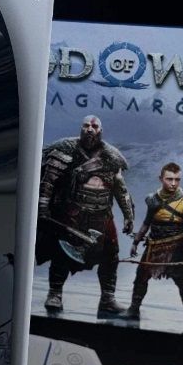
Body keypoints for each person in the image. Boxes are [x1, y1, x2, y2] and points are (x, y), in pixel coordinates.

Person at [36, 115, 134, 317]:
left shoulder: (111, 156)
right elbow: (48, 182)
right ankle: (55, 294)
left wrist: (128, 215)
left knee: (110, 255)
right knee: (62, 252)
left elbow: (120, 189)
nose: (90, 129)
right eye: (86, 125)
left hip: (102, 215)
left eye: (94, 126)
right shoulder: (65, 149)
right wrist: (43, 208)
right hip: (73, 212)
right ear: (81, 128)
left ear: (100, 131)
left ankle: (107, 299)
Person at [125, 162, 183, 334]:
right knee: (140, 279)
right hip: (153, 247)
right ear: (161, 179)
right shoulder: (153, 199)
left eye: (177, 179)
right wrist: (136, 242)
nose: (174, 183)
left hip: (176, 249)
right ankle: (133, 309)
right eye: (169, 179)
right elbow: (147, 222)